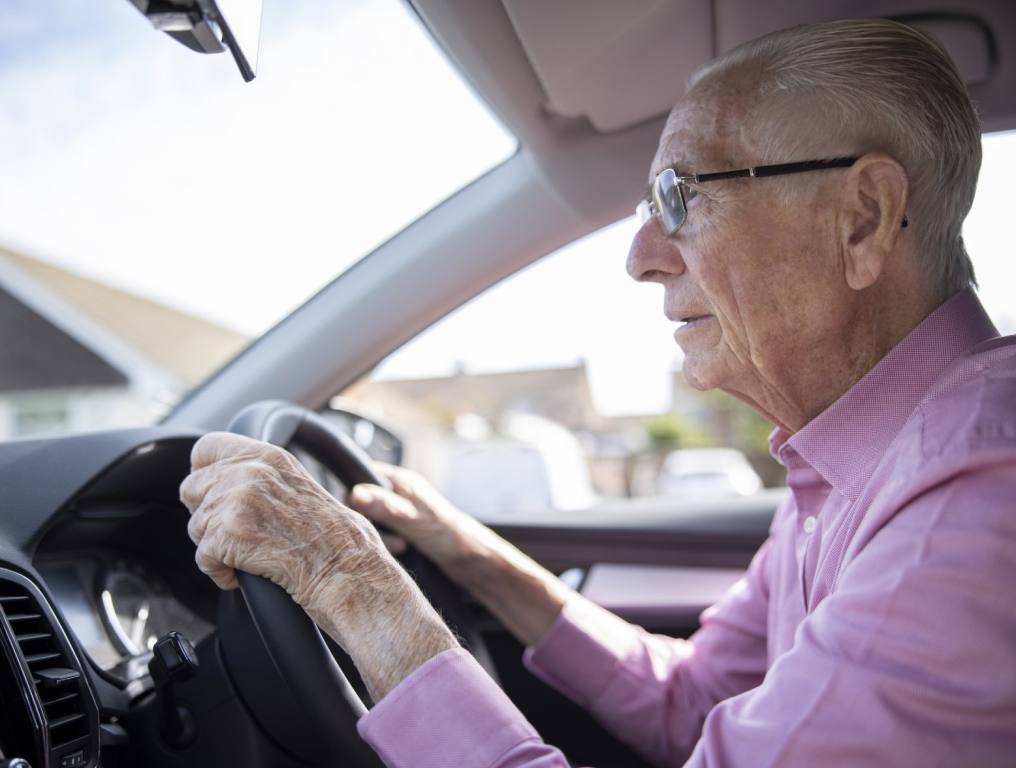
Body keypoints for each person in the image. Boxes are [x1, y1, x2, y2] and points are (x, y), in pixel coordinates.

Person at [179, 18, 1016, 767]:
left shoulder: (970, 505)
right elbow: (692, 700)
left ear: (862, 219)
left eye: (679, 196)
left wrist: (347, 577)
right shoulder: (855, 466)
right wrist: (470, 552)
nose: (642, 254)